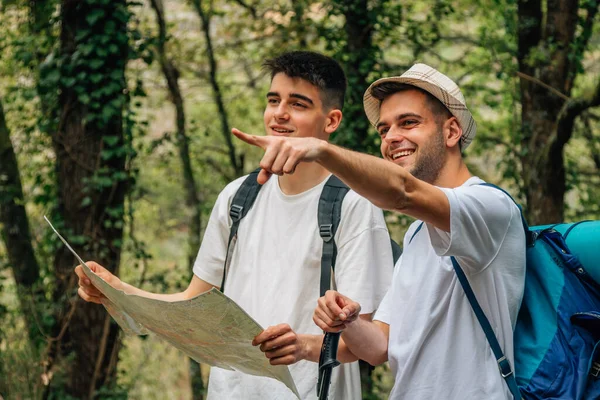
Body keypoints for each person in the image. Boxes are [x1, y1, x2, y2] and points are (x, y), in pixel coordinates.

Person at [75, 51, 393, 400]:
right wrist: (120, 292)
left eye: (298, 104)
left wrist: (303, 346)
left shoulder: (354, 204)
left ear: (330, 122)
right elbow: (192, 304)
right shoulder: (237, 197)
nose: (279, 114)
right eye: (274, 100)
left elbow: (368, 344)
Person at [233, 63, 526, 399]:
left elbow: (401, 192)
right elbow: (380, 346)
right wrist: (333, 328)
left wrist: (320, 150)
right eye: (384, 129)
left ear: (451, 132)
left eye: (409, 123)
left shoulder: (489, 208)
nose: (391, 138)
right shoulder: (419, 233)